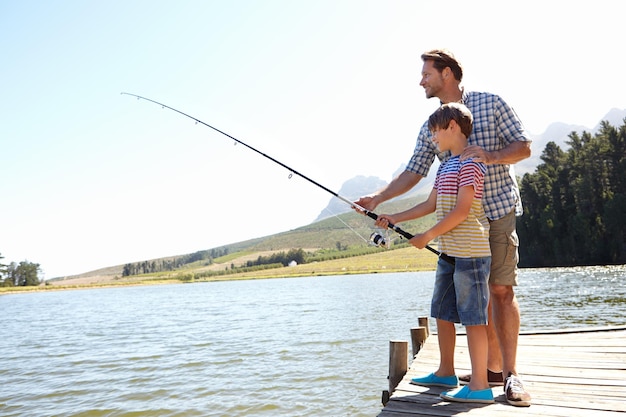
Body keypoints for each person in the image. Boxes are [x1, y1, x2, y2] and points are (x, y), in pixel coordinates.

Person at [355, 49, 532, 407]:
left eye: (426, 74)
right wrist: (377, 199)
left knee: (500, 291)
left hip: (497, 210)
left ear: (447, 73)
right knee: (468, 301)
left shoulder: (491, 103)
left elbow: (524, 147)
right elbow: (413, 172)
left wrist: (489, 155)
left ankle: (510, 375)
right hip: (457, 232)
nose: (421, 80)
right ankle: (486, 371)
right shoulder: (430, 126)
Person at [376, 102, 493, 403]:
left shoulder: (471, 164)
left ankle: (480, 385)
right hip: (449, 253)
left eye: (435, 132)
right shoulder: (445, 166)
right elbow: (430, 205)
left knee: (473, 318)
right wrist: (395, 218)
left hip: (471, 254)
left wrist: (427, 235)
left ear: (452, 126)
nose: (433, 138)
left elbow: (463, 211)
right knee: (442, 312)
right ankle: (445, 371)